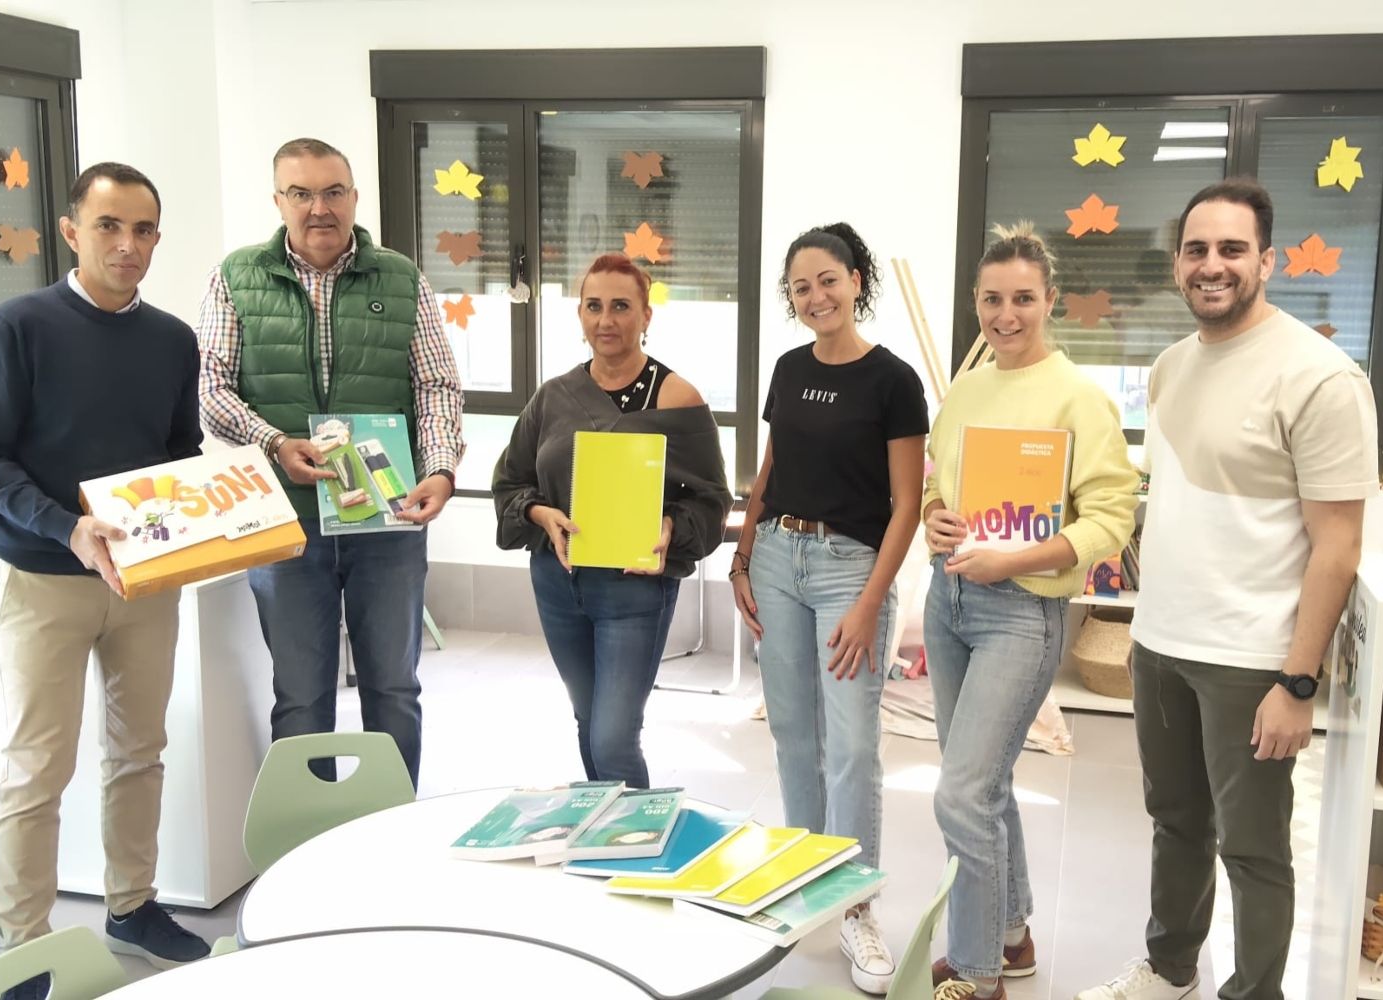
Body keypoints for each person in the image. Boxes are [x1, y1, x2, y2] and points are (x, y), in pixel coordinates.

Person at [1077, 178, 1377, 1000]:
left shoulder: (1320, 378)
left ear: (1266, 260)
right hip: (1160, 644)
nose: (1213, 266)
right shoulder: (1174, 366)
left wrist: (1297, 682)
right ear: (1178, 263)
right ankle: (1171, 968)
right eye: (1197, 250)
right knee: (1176, 824)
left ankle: (1254, 993)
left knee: (1252, 850)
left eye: (1232, 249)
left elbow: (1339, 547)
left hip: (1251, 660)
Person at [0, 162, 211, 998]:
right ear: (71, 231)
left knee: (139, 753)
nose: (127, 246)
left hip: (144, 583)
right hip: (47, 581)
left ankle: (131, 905)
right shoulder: (19, 326)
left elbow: (180, 456)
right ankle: (25, 943)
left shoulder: (173, 339)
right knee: (38, 766)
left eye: (142, 231)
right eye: (109, 227)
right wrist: (65, 525)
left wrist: (224, 510)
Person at [196, 138, 463, 787]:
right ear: (278, 201)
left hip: (387, 514)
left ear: (354, 197)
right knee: (301, 696)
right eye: (302, 193)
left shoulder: (400, 278)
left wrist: (439, 468)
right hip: (284, 525)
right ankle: (307, 844)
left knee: (394, 691)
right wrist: (272, 442)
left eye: (333, 192)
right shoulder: (237, 278)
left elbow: (435, 385)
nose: (320, 208)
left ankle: (388, 831)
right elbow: (212, 387)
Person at [921, 224, 1138, 1000]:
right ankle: (1010, 939)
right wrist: (935, 518)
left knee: (960, 792)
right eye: (990, 299)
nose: (1005, 315)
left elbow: (1112, 520)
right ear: (975, 302)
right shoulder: (967, 387)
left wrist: (1013, 559)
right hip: (948, 602)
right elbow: (936, 487)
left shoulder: (1078, 398)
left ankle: (975, 974)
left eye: (1022, 299)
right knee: (983, 785)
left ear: (1050, 301)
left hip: (1021, 612)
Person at [731, 223, 929, 995]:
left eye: (828, 280)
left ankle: (855, 904)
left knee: (850, 745)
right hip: (779, 556)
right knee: (791, 734)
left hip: (852, 567)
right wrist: (743, 556)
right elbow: (770, 471)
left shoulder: (893, 381)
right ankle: (802, 877)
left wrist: (871, 603)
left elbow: (907, 506)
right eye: (800, 286)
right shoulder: (787, 368)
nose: (815, 296)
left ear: (856, 281)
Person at [492, 254, 729, 788]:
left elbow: (713, 500)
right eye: (594, 306)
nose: (607, 320)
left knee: (613, 737)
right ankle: (604, 837)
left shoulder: (677, 398)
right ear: (578, 315)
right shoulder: (551, 397)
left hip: (632, 591)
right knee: (587, 722)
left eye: (622, 306)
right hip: (558, 583)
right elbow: (511, 480)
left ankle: (636, 844)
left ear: (646, 315)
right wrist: (539, 512)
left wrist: (671, 529)